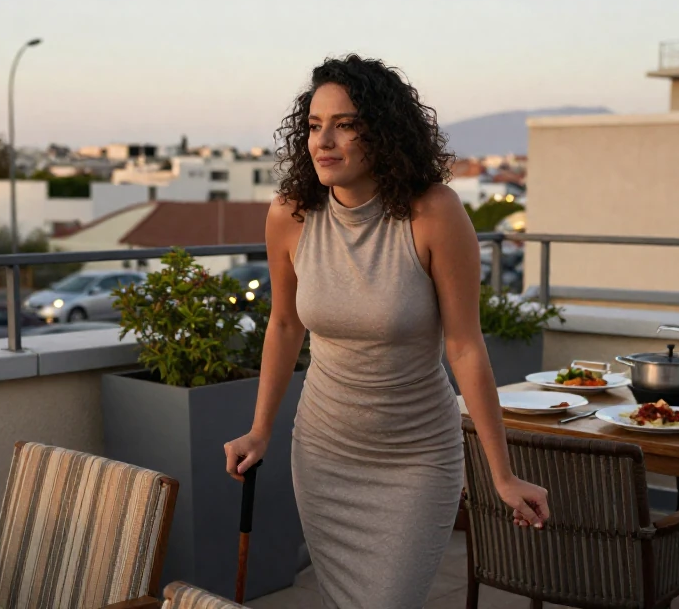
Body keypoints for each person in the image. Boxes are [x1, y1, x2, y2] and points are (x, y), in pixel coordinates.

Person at [223, 54, 550, 608]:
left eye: (345, 124)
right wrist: (260, 431)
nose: (324, 141)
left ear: (384, 133)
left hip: (416, 458)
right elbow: (283, 324)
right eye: (314, 126)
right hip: (325, 453)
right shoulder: (291, 214)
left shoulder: (433, 213)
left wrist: (501, 476)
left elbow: (465, 346)